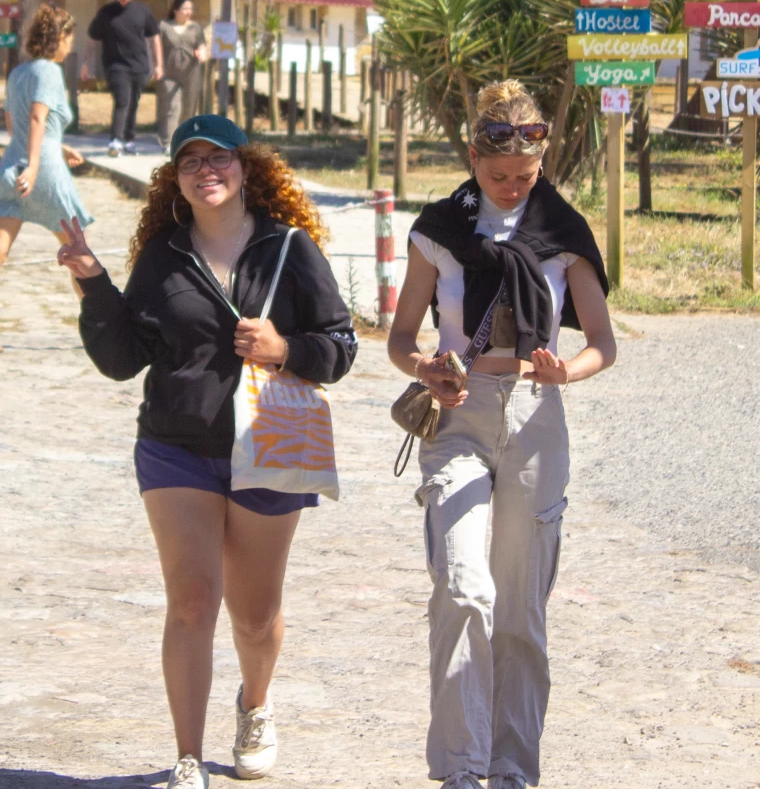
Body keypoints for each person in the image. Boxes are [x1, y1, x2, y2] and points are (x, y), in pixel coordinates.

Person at [56, 114, 357, 789]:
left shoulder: (291, 248)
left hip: (270, 442)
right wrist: (92, 283)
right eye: (189, 162)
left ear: (244, 170)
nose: (205, 170)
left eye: (217, 157)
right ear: (177, 180)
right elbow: (122, 360)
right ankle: (188, 760)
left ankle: (255, 703)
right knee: (192, 600)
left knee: (255, 615)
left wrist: (287, 350)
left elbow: (341, 348)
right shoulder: (164, 254)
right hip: (175, 447)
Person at [387, 80, 616, 789]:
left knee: (519, 611)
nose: (512, 187)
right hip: (457, 416)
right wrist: (426, 366)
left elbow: (602, 342)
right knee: (463, 590)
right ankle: (461, 770)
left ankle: (511, 772)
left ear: (541, 163)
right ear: (471, 157)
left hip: (535, 419)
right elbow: (399, 338)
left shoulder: (565, 232)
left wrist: (564, 372)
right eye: (497, 177)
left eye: (524, 176)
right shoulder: (438, 230)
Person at [0, 4, 90, 355]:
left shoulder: (18, 72)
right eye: (69, 37)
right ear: (59, 38)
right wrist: (37, 164)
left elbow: (14, 123)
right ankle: (104, 322)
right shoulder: (49, 71)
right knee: (81, 251)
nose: (70, 44)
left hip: (12, 163)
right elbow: (36, 118)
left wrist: (54, 149)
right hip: (40, 170)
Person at [80, 0, 163, 158]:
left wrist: (159, 65)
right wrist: (85, 62)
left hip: (140, 66)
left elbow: (154, 37)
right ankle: (115, 140)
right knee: (122, 100)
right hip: (116, 66)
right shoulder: (106, 13)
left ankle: (129, 139)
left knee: (133, 102)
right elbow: (93, 38)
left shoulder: (143, 11)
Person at [157, 0, 207, 155]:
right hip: (169, 73)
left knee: (189, 108)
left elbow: (202, 44)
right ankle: (168, 142)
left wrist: (202, 53)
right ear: (175, 10)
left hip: (191, 72)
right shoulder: (164, 26)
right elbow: (155, 46)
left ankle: (185, 141)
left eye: (190, 9)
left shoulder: (195, 28)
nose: (188, 12)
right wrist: (156, 66)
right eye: (185, 8)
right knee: (172, 107)